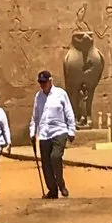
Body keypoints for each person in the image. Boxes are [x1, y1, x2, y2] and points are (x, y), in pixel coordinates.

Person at [31, 69, 78, 200]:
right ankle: (52, 190)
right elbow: (35, 116)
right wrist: (32, 132)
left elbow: (69, 112)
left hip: (59, 131)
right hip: (44, 134)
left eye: (44, 82)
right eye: (40, 83)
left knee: (55, 157)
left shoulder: (60, 94)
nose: (42, 85)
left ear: (50, 81)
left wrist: (71, 130)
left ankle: (61, 184)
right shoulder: (38, 97)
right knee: (46, 163)